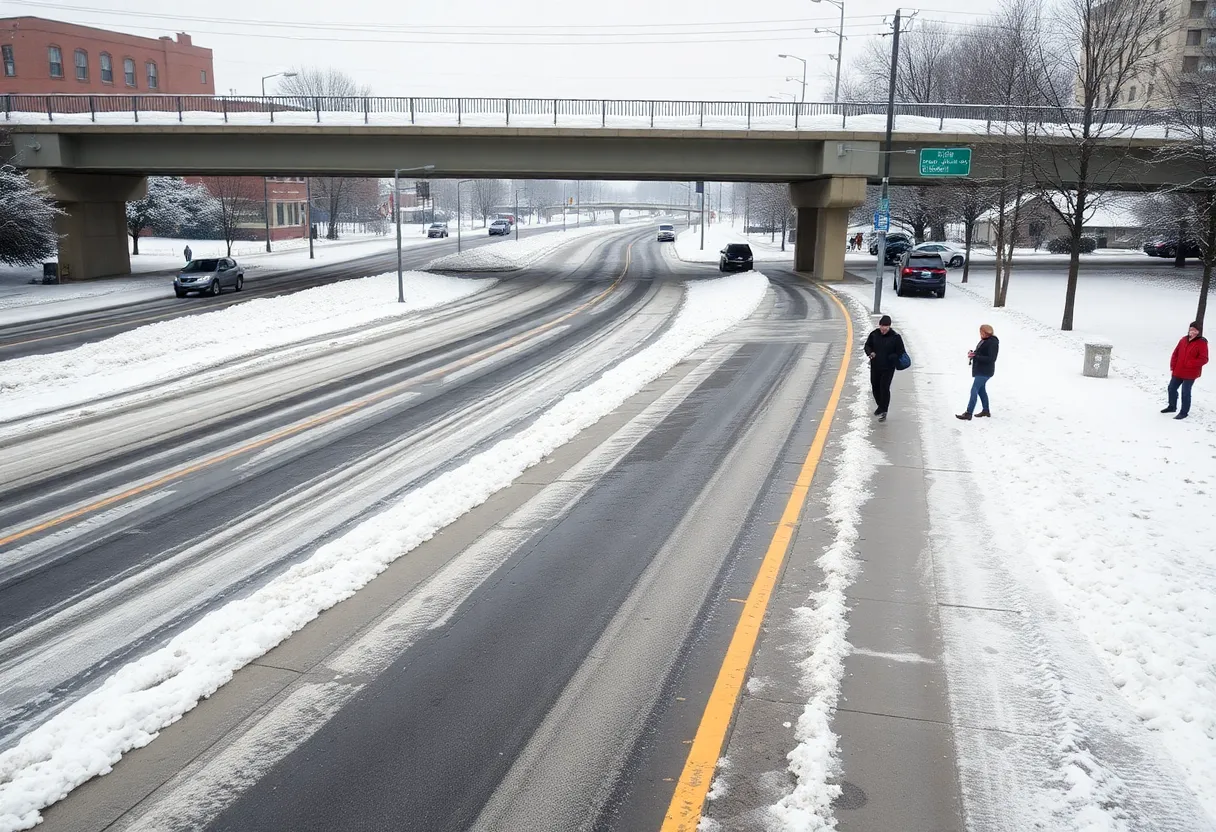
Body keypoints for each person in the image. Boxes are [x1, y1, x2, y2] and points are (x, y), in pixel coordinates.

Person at [1163, 321, 1209, 420]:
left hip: (1190, 373)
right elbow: (1175, 353)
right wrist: (1173, 366)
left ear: (1198, 332)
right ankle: (1172, 407)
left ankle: (1184, 412)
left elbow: (1204, 359)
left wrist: (1191, 363)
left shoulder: (1201, 343)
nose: (1192, 332)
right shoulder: (1183, 340)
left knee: (1185, 392)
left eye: (1195, 330)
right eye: (1191, 329)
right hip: (1178, 370)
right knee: (1171, 388)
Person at [865, 314, 905, 422]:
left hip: (888, 368)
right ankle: (880, 406)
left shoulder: (896, 337)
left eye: (886, 327)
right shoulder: (874, 334)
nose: (883, 329)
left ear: (889, 326)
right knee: (875, 387)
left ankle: (884, 410)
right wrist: (870, 352)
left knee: (884, 388)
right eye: (882, 326)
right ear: (879, 325)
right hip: (875, 366)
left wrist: (894, 356)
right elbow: (867, 345)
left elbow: (901, 352)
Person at [957, 324, 1000, 420]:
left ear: (985, 333)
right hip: (980, 370)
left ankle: (969, 413)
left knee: (974, 389)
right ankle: (986, 410)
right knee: (981, 390)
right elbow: (981, 352)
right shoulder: (984, 341)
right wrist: (974, 353)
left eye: (981, 332)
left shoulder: (992, 343)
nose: (980, 334)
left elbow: (991, 358)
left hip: (985, 371)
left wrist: (976, 356)